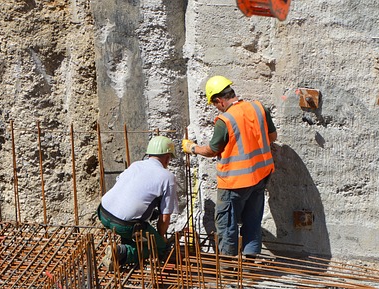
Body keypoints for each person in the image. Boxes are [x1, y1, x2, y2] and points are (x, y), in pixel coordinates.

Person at [182, 75, 277, 258]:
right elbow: (272, 137)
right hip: (260, 176)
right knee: (252, 220)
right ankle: (249, 262)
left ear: (219, 100)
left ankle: (229, 267)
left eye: (215, 104)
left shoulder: (224, 120)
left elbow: (211, 150)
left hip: (235, 182)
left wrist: (192, 148)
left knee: (226, 224)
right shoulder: (258, 108)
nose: (216, 108)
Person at [98, 136, 179, 269]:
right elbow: (165, 217)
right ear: (167, 157)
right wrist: (161, 238)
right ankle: (122, 253)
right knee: (159, 248)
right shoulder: (167, 177)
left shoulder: (136, 165)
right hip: (124, 224)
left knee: (136, 225)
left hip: (103, 212)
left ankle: (123, 245)